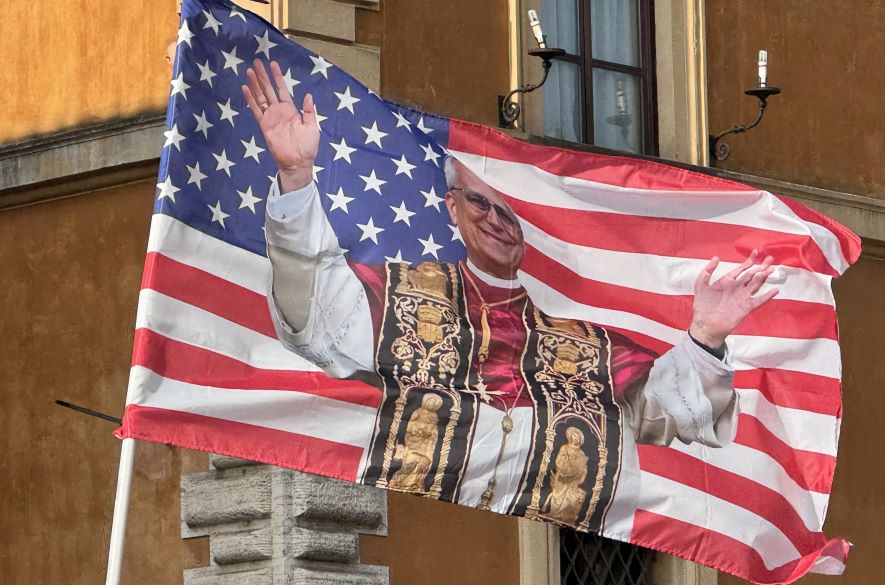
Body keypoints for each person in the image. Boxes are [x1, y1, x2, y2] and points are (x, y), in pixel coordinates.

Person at [242, 60, 779, 532]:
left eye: (511, 212)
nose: (496, 221)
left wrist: (706, 334)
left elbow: (673, 413)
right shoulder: (401, 293)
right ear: (452, 207)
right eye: (481, 202)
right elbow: (315, 318)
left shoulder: (588, 340)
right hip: (418, 533)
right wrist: (296, 175)